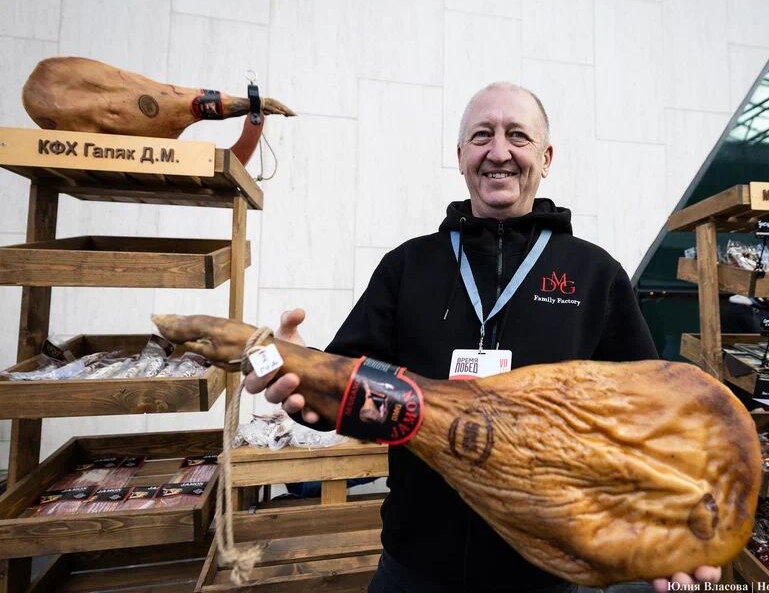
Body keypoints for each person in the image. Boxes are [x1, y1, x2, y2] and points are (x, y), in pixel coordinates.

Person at [245, 82, 722, 593]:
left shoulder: (594, 274)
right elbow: (346, 392)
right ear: (460, 157)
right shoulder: (408, 267)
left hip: (546, 578)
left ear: (546, 157)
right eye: (481, 136)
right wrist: (301, 373)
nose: (498, 152)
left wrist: (670, 517)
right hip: (415, 570)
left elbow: (647, 417)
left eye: (517, 135)